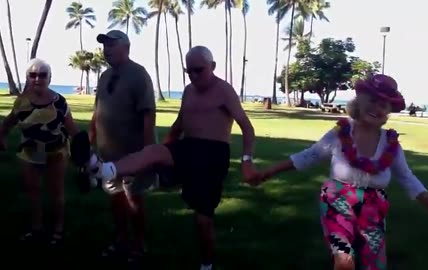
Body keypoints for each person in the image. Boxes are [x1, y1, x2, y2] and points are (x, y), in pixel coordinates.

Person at [248, 74, 428, 270]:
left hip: (374, 208)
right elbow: (309, 156)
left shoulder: (390, 144)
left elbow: (408, 178)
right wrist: (268, 172)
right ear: (359, 100)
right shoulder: (341, 133)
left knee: (375, 265)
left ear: (388, 111)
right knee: (345, 261)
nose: (376, 108)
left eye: (383, 105)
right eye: (371, 100)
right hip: (337, 200)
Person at [87, 45, 256, 270]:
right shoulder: (188, 91)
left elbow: (247, 127)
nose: (194, 76)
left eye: (199, 70)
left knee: (203, 220)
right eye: (190, 72)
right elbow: (180, 124)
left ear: (213, 67)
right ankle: (103, 170)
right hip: (188, 146)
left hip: (212, 154)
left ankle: (207, 265)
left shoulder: (224, 91)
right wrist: (165, 147)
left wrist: (246, 160)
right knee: (153, 151)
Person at [92, 30, 157, 264]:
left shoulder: (139, 75)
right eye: (104, 45)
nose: (106, 49)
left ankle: (139, 246)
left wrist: (147, 153)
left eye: (111, 44)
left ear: (126, 47)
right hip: (107, 155)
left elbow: (148, 114)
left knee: (134, 200)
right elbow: (98, 109)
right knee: (115, 199)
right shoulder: (104, 76)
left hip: (133, 153)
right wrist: (92, 137)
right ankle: (120, 241)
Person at [0, 58, 79, 247]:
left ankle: (58, 230)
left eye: (42, 75)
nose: (37, 79)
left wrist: (82, 151)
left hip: (56, 152)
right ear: (27, 78)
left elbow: (72, 130)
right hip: (30, 152)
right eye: (32, 75)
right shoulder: (22, 102)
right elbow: (9, 122)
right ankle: (37, 229)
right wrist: (1, 136)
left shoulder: (59, 102)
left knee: (56, 191)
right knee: (33, 191)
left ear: (49, 78)